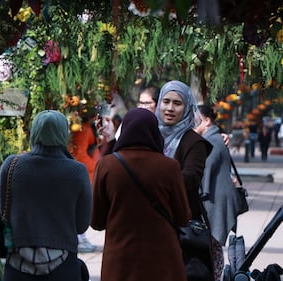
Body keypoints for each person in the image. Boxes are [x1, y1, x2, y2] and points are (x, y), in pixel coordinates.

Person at [91, 108, 191, 281]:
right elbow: (182, 217)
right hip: (162, 261)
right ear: (154, 131)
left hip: (120, 261)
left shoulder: (106, 165)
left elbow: (97, 222)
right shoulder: (170, 167)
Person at [0, 110, 92, 281]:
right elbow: (82, 225)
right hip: (63, 267)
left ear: (34, 132)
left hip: (17, 266)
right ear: (63, 133)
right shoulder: (77, 172)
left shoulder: (12, 165)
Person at [154, 80, 213, 280]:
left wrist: (154, 179)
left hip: (179, 224)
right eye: (166, 101)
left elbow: (191, 177)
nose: (170, 108)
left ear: (187, 107)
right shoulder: (150, 135)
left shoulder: (194, 142)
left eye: (177, 103)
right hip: (150, 221)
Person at [194, 105, 241, 281]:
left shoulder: (211, 141)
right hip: (218, 200)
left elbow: (204, 172)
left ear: (207, 121)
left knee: (213, 247)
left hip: (215, 202)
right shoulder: (215, 137)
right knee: (214, 247)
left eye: (196, 120)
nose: (192, 124)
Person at [70, 107, 100, 253]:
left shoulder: (85, 128)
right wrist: (95, 166)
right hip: (86, 171)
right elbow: (80, 153)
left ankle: (81, 237)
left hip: (86, 169)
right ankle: (80, 238)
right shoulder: (84, 129)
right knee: (81, 206)